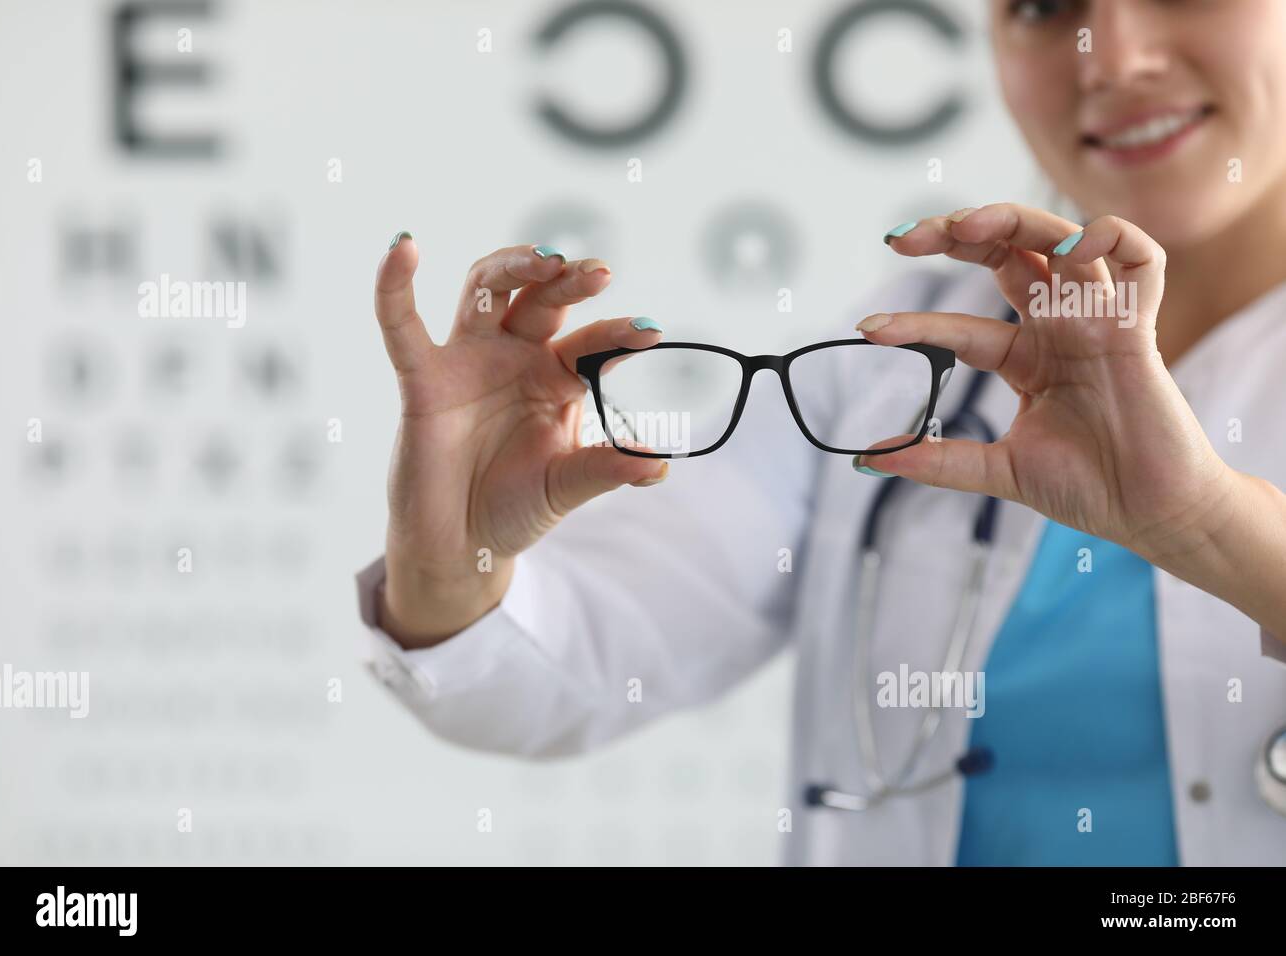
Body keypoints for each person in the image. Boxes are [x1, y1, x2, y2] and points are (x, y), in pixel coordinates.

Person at [355, 0, 1286, 865]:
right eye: (1044, 7)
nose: (1115, 59)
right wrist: (452, 563)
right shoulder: (893, 357)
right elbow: (573, 667)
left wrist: (1209, 527)